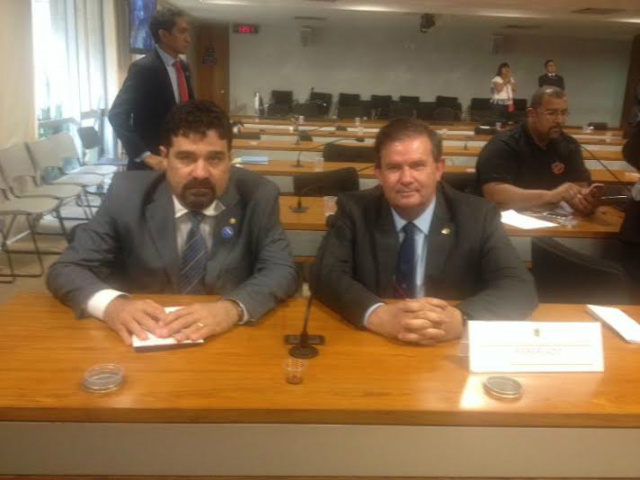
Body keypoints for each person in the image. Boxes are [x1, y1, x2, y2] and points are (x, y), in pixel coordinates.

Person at [48, 101, 298, 345]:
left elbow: (281, 270)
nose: (200, 173)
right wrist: (113, 306)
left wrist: (232, 308)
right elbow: (67, 269)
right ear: (165, 158)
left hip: (227, 338)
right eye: (186, 158)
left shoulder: (258, 195)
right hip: (147, 337)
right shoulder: (126, 194)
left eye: (214, 159)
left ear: (229, 160)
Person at [310, 118, 537, 346]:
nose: (406, 179)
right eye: (394, 167)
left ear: (439, 169)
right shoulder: (355, 210)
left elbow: (519, 286)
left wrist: (461, 319)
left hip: (447, 348)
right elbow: (324, 274)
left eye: (418, 165)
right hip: (375, 342)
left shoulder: (477, 216)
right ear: (378, 172)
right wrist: (378, 315)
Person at [476, 87, 596, 215]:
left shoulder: (569, 144)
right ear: (532, 113)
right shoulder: (504, 144)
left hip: (553, 219)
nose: (560, 120)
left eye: (564, 113)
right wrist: (550, 196)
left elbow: (580, 183)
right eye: (551, 113)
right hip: (506, 222)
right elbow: (494, 193)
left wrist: (583, 197)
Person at [109, 7, 194, 171]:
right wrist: (145, 155)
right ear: (164, 35)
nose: (188, 39)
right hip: (151, 164)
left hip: (180, 156)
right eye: (182, 32)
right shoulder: (143, 69)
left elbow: (190, 109)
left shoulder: (183, 66)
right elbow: (117, 115)